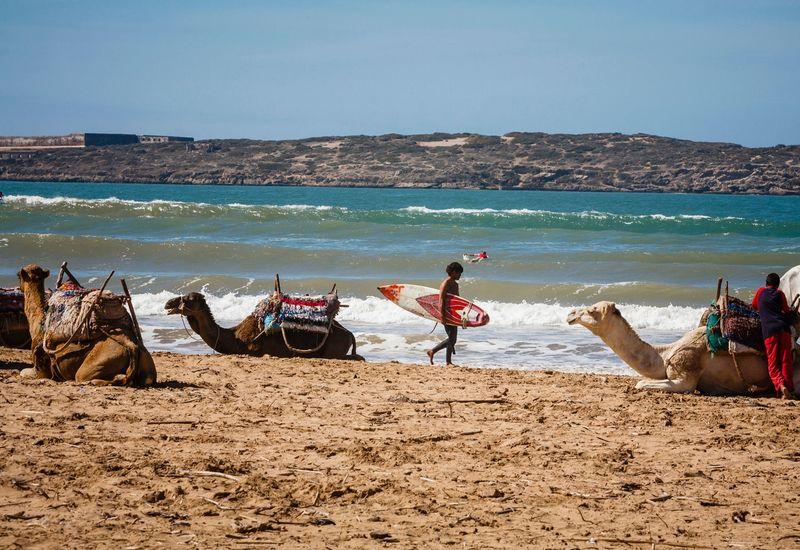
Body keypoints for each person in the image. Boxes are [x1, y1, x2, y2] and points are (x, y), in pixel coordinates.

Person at [752, 273, 795, 399]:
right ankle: (789, 390)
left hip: (770, 332)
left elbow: (754, 306)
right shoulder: (780, 294)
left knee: (772, 364)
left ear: (766, 283)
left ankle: (781, 386)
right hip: (784, 330)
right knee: (786, 361)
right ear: (777, 285)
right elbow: (786, 310)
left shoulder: (760, 291)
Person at [426, 262, 463, 366]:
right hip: (445, 313)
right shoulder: (446, 283)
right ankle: (441, 357)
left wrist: (460, 315)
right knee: (452, 338)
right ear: (454, 272)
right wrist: (442, 316)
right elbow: (441, 300)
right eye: (459, 273)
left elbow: (457, 301)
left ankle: (444, 359)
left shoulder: (455, 284)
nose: (460, 275)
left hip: (453, 314)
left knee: (453, 339)